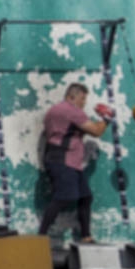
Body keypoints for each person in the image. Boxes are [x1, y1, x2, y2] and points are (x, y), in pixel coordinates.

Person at [38, 83, 113, 242]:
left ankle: (86, 236)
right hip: (64, 160)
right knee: (64, 198)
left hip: (63, 159)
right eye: (82, 98)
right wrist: (107, 118)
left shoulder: (53, 110)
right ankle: (41, 236)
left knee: (85, 197)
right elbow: (96, 131)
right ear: (72, 96)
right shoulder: (72, 111)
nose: (84, 103)